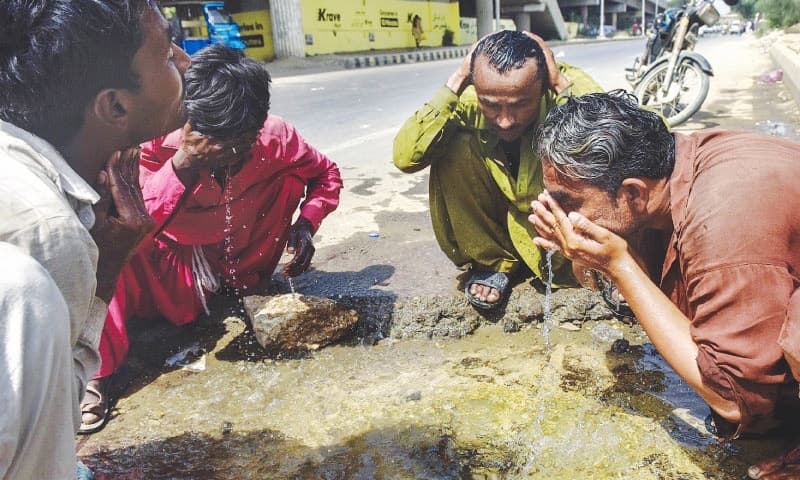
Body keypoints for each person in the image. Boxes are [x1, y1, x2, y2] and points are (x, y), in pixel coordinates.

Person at [528, 90, 800, 477]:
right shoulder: (675, 172)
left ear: (632, 193)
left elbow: (734, 400)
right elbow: (618, 291)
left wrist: (620, 266)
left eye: (568, 203)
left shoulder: (721, 223)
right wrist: (591, 258)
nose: (559, 215)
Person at [79, 44, 343, 433]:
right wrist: (184, 163)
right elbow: (132, 221)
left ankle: (243, 283)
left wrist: (306, 223)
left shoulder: (276, 137)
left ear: (257, 125)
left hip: (243, 258)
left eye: (241, 145)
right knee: (107, 241)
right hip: (171, 266)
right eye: (216, 146)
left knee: (289, 177)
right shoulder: (149, 139)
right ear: (190, 122)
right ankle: (95, 373)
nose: (229, 157)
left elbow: (327, 175)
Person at [0, 0, 190, 477]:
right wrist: (104, 275)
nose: (186, 62)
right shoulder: (48, 235)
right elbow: (44, 445)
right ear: (115, 105)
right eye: (168, 55)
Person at [393, 30, 602, 310]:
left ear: (542, 87)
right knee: (451, 143)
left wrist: (560, 85)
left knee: (602, 148)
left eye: (521, 104)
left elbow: (631, 145)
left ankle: (599, 265)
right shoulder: (468, 98)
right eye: (490, 105)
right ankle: (495, 262)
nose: (504, 121)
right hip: (508, 234)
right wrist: (457, 79)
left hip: (569, 248)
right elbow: (406, 157)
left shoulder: (566, 85)